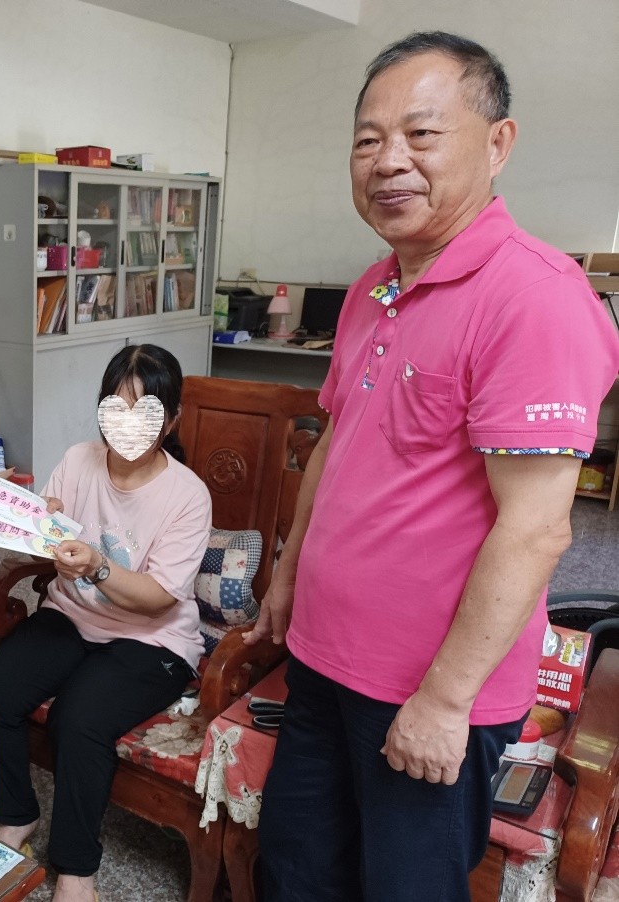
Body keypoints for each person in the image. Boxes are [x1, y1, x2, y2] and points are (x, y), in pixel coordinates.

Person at [243, 32, 619, 901]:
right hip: (322, 656)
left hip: (425, 687)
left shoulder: (536, 297)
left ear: (498, 143)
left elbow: (537, 529)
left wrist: (446, 701)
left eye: (421, 134)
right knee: (296, 870)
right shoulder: (375, 285)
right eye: (368, 139)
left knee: (403, 887)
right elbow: (336, 445)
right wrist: (289, 576)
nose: (388, 161)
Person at [0, 344, 212, 902]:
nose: (127, 426)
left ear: (171, 419)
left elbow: (157, 598)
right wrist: (23, 514)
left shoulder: (187, 495)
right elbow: (47, 525)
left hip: (152, 638)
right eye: (115, 408)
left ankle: (77, 869)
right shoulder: (79, 460)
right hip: (73, 614)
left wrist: (97, 565)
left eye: (145, 412)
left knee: (79, 718)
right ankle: (16, 815)